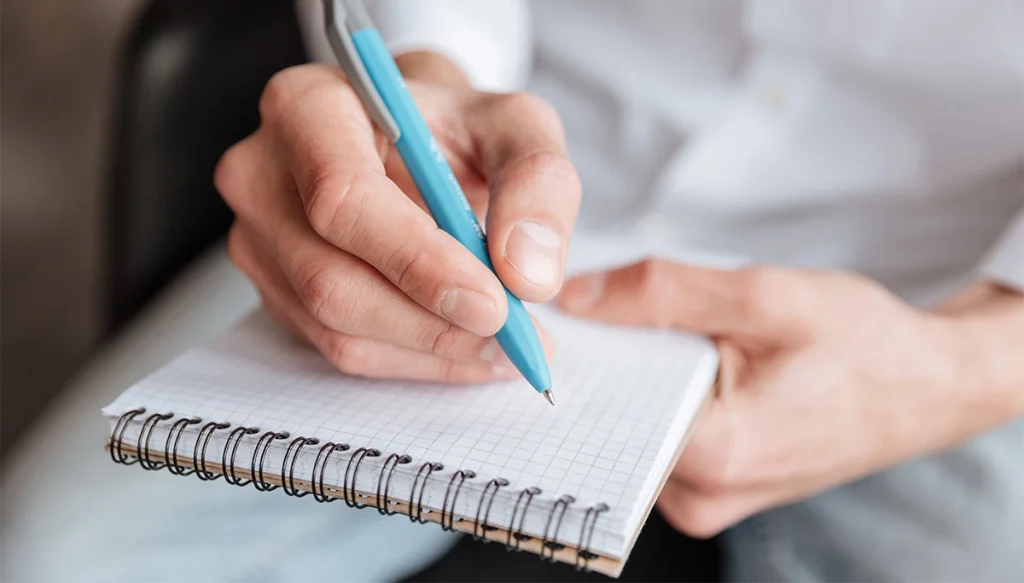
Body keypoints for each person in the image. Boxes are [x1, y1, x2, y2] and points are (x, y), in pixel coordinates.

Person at [2, 1, 1021, 581]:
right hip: (500, 160)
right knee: (50, 560)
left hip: (944, 289)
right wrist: (425, 74)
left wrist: (973, 364)